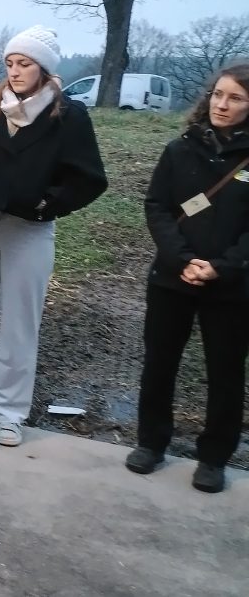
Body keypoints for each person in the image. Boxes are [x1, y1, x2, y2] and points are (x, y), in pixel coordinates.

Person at [0, 25, 107, 447]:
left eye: (25, 64)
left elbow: (90, 178)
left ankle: (9, 413)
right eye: (11, 63)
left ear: (44, 68)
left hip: (29, 232)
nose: (15, 72)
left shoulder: (68, 116)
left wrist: (46, 204)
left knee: (20, 324)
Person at [125, 64, 249, 493]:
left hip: (231, 285)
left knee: (225, 371)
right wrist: (182, 259)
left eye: (235, 98)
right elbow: (157, 206)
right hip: (172, 278)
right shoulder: (180, 149)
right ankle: (151, 442)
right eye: (218, 94)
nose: (222, 104)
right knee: (160, 363)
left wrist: (222, 267)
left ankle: (213, 457)